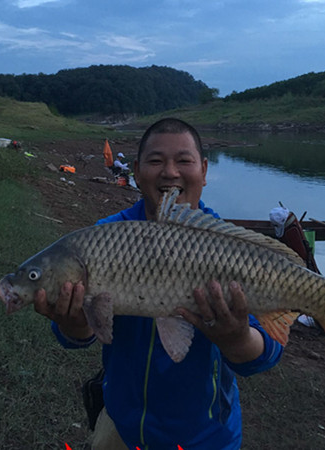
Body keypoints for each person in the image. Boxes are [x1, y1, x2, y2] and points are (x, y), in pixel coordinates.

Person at [34, 118, 283, 449]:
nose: (170, 172)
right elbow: (79, 337)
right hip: (123, 425)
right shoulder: (105, 236)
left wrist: (237, 340)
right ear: (136, 171)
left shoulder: (227, 246)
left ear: (204, 171)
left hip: (205, 438)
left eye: (184, 161)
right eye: (155, 161)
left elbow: (267, 351)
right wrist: (75, 324)